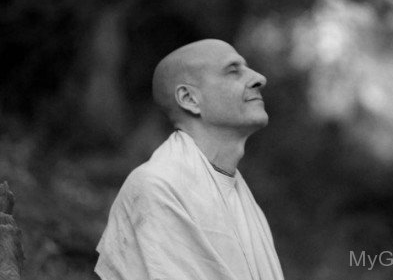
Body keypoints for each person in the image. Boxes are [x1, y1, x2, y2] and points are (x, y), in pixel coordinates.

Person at [95, 39, 285, 280]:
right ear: (189, 98)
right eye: (233, 70)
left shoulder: (244, 201)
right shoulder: (156, 186)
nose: (259, 78)